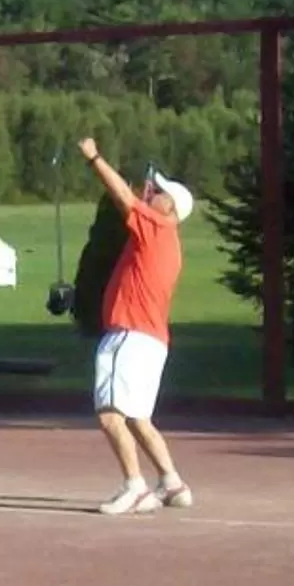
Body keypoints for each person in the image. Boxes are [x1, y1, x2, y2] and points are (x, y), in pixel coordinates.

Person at [77, 139, 196, 516]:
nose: (152, 192)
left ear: (170, 207)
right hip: (151, 340)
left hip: (129, 334)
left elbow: (124, 199)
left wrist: (95, 158)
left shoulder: (157, 227)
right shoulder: (166, 238)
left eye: (159, 192)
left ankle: (136, 487)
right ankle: (173, 483)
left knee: (110, 414)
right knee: (139, 419)